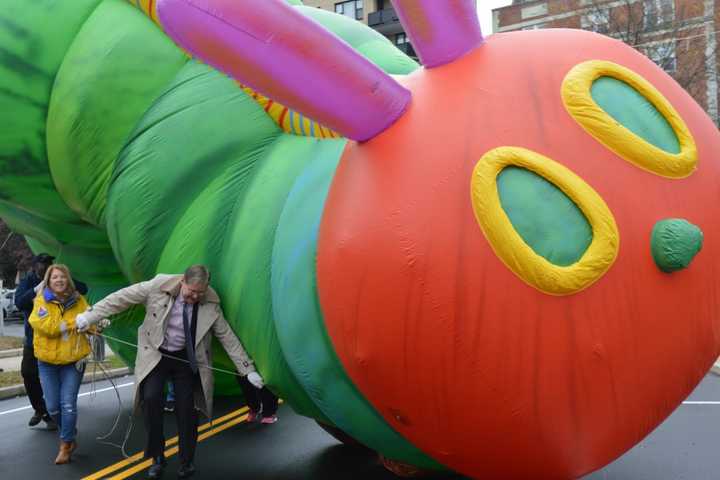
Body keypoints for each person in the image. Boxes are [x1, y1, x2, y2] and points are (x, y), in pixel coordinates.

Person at [76, 265, 265, 479]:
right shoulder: (158, 285)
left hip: (186, 358)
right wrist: (89, 316)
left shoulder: (211, 304)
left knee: (187, 410)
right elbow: (120, 298)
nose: (194, 296)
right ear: (182, 281)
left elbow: (228, 338)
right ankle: (157, 457)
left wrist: (247, 370)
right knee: (151, 398)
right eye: (191, 291)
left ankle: (187, 461)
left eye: (199, 292)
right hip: (156, 354)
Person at [14, 253, 88, 430]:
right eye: (43, 264)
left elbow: (82, 289)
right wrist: (35, 289)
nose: (46, 267)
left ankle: (62, 417)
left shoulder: (58, 278)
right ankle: (41, 409)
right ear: (35, 266)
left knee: (61, 388)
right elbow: (19, 302)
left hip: (63, 343)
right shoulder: (29, 281)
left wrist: (63, 281)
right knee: (28, 372)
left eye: (49, 264)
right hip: (34, 338)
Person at [29, 264, 92, 464]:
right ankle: (70, 432)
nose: (59, 280)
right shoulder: (41, 301)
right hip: (47, 363)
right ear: (48, 281)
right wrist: (75, 323)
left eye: (62, 277)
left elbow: (91, 320)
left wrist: (91, 324)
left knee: (68, 405)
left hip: (73, 361)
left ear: (68, 280)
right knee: (53, 406)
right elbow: (45, 326)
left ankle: (65, 445)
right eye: (55, 277)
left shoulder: (79, 300)